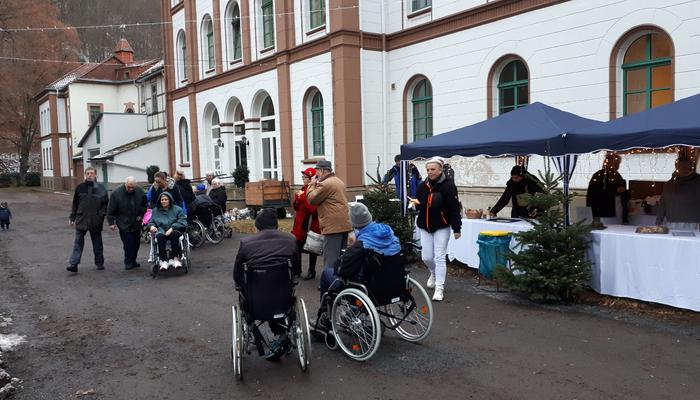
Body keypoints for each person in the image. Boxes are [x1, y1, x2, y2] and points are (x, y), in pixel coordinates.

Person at [233, 208, 300, 360]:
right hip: (282, 296)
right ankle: (282, 332)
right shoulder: (290, 239)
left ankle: (252, 330)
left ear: (258, 226)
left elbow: (237, 273)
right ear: (276, 225)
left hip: (256, 299)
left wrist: (238, 284)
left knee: (245, 289)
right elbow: (296, 269)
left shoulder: (246, 243)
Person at [408, 157, 461, 302]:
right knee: (426, 257)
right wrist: (414, 203)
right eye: (428, 170)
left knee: (439, 257)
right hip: (425, 226)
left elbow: (454, 208)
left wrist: (457, 228)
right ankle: (433, 273)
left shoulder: (448, 185)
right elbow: (420, 204)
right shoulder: (422, 186)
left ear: (440, 170)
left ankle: (439, 288)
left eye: (433, 169)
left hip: (441, 226)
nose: (430, 172)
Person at [319, 202, 401, 295]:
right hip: (394, 279)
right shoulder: (388, 231)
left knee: (326, 274)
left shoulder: (362, 245)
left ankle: (325, 308)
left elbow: (343, 268)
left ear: (353, 222)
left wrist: (348, 251)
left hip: (369, 286)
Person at [306, 160, 353, 277]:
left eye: (317, 171)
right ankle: (339, 281)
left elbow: (312, 199)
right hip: (343, 223)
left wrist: (311, 184)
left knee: (330, 258)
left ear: (322, 171)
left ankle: (328, 285)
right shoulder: (338, 181)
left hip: (333, 225)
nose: (316, 174)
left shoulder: (325, 184)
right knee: (340, 256)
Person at [67, 167, 109, 273]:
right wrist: (72, 217)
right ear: (85, 175)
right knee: (78, 242)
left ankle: (99, 263)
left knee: (97, 243)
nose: (90, 175)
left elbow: (106, 205)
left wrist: (101, 215)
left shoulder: (101, 188)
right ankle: (74, 264)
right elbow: (75, 204)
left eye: (92, 173)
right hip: (81, 219)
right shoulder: (80, 188)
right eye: (88, 173)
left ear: (96, 175)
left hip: (96, 220)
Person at [107, 177, 148, 270]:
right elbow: (111, 209)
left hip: (136, 222)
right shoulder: (116, 193)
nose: (131, 189)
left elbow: (145, 204)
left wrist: (141, 215)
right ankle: (128, 261)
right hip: (123, 222)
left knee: (136, 243)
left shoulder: (140, 191)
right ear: (125, 184)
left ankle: (133, 260)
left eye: (133, 187)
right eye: (129, 187)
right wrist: (111, 223)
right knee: (128, 243)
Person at [291, 167, 321, 280]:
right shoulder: (302, 189)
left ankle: (311, 270)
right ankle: (297, 271)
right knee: (296, 246)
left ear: (311, 179)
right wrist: (297, 200)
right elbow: (296, 207)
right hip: (299, 225)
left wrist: (303, 198)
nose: (304, 179)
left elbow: (313, 209)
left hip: (310, 224)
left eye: (306, 178)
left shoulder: (315, 190)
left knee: (312, 248)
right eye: (303, 177)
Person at [655, 159, 700, 229]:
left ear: (691, 167)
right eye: (681, 166)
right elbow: (662, 204)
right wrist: (658, 222)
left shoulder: (697, 182)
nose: (684, 168)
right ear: (677, 167)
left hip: (692, 224)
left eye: (686, 166)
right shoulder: (669, 184)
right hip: (671, 223)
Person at [148, 192, 187, 271]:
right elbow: (151, 222)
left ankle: (175, 258)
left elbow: (182, 221)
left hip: (175, 230)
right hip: (161, 230)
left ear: (170, 200)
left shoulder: (177, 209)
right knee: (159, 236)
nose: (164, 201)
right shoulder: (155, 211)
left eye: (166, 199)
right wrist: (151, 226)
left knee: (175, 235)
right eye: (162, 200)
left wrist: (172, 228)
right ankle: (164, 260)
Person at [586, 153, 629, 224]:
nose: (617, 166)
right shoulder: (599, 175)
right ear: (608, 162)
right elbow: (595, 194)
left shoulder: (617, 175)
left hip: (616, 210)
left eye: (618, 164)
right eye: (616, 164)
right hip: (604, 211)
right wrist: (616, 191)